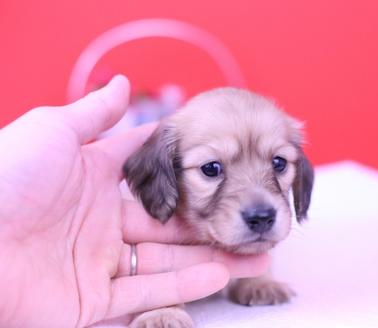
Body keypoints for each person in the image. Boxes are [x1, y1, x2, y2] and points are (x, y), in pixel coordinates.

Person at [0, 75, 269, 327]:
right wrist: (162, 306)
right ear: (165, 171)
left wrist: (250, 279)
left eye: (278, 163)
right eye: (211, 169)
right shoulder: (128, 213)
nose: (257, 202)